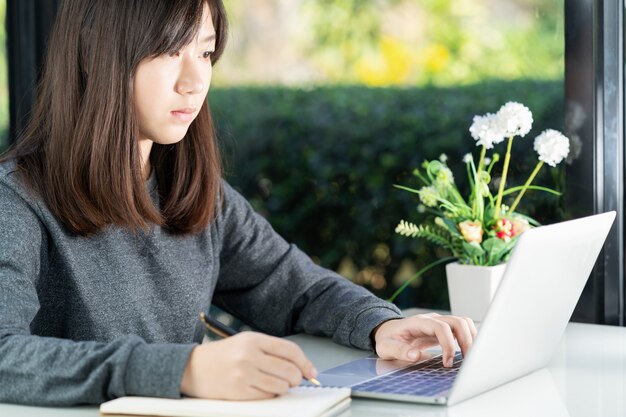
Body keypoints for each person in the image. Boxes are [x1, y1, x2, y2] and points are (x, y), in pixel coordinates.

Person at [0, 0, 476, 406]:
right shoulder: (16, 199)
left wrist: (380, 326)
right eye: (168, 50)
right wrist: (183, 370)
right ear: (93, 53)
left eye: (205, 52)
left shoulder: (194, 192)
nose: (193, 80)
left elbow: (296, 287)